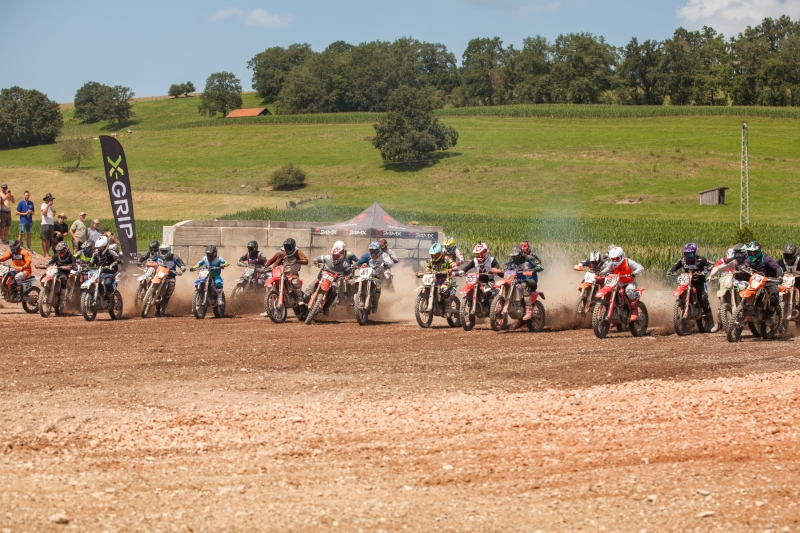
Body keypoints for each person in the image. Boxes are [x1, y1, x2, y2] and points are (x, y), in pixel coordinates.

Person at [306, 240, 358, 316]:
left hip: (333, 281)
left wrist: (348, 276)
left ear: (341, 254)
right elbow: (317, 258)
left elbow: (349, 272)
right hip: (320, 278)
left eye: (336, 256)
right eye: (334, 256)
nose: (334, 258)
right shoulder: (327, 258)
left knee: (335, 292)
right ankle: (302, 307)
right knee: (307, 294)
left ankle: (326, 307)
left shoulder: (345, 263)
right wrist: (316, 261)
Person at [260, 238, 309, 316]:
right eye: (286, 247)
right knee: (273, 287)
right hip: (282, 273)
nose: (287, 249)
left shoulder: (298, 252)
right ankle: (271, 308)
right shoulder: (282, 253)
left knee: (295, 281)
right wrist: (273, 267)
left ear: (293, 246)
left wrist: (298, 261)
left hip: (293, 273)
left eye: (289, 247)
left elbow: (306, 261)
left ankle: (299, 297)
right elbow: (276, 261)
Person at [666, 242, 713, 319]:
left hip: (699, 282)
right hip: (686, 282)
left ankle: (710, 319)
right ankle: (683, 309)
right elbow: (675, 266)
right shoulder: (682, 260)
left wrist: (705, 271)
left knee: (703, 299)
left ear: (695, 253)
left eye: (690, 254)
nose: (688, 256)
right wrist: (671, 271)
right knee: (680, 295)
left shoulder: (701, 259)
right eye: (686, 254)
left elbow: (711, 264)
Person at [599, 246, 645, 321]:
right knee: (611, 290)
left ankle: (634, 311)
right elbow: (606, 269)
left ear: (621, 256)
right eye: (613, 259)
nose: (614, 261)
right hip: (619, 283)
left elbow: (641, 267)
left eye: (616, 259)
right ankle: (614, 314)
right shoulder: (612, 263)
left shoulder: (628, 262)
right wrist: (601, 273)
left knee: (628, 291)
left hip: (630, 282)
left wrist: (634, 273)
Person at [506, 245, 544, 321]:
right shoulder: (511, 261)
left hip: (530, 282)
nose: (514, 258)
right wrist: (507, 272)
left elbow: (541, 266)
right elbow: (505, 269)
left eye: (516, 256)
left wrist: (532, 270)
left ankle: (529, 311)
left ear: (520, 255)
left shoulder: (529, 258)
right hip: (516, 282)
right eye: (513, 256)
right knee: (505, 285)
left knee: (524, 284)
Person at [355, 241, 394, 313]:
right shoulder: (367, 255)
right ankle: (359, 298)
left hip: (378, 275)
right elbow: (359, 262)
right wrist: (355, 265)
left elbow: (390, 262)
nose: (372, 252)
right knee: (356, 281)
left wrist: (385, 264)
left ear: (379, 249)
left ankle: (375, 304)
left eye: (374, 250)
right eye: (371, 250)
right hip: (367, 275)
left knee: (378, 287)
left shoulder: (383, 255)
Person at [745, 241, 783, 311]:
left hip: (768, 280)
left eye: (753, 252)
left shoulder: (766, 259)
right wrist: (742, 267)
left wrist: (780, 276)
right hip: (754, 280)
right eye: (750, 252)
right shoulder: (748, 259)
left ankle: (770, 314)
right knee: (742, 287)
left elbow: (777, 267)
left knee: (774, 293)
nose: (752, 254)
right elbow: (745, 265)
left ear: (758, 251)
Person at [89, 236, 121, 310]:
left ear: (106, 246)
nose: (99, 249)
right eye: (98, 247)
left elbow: (119, 259)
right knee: (89, 280)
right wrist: (87, 267)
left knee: (108, 283)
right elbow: (91, 263)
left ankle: (111, 300)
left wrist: (113, 264)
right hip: (98, 273)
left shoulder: (110, 252)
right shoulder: (95, 254)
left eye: (101, 247)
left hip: (109, 272)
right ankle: (90, 297)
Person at [155, 244, 186, 315]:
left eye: (165, 251)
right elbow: (151, 260)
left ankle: (163, 305)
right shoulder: (158, 256)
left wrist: (181, 271)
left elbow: (183, 265)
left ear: (169, 251)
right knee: (150, 279)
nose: (163, 253)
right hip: (159, 275)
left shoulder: (174, 257)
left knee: (171, 286)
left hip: (170, 276)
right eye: (161, 251)